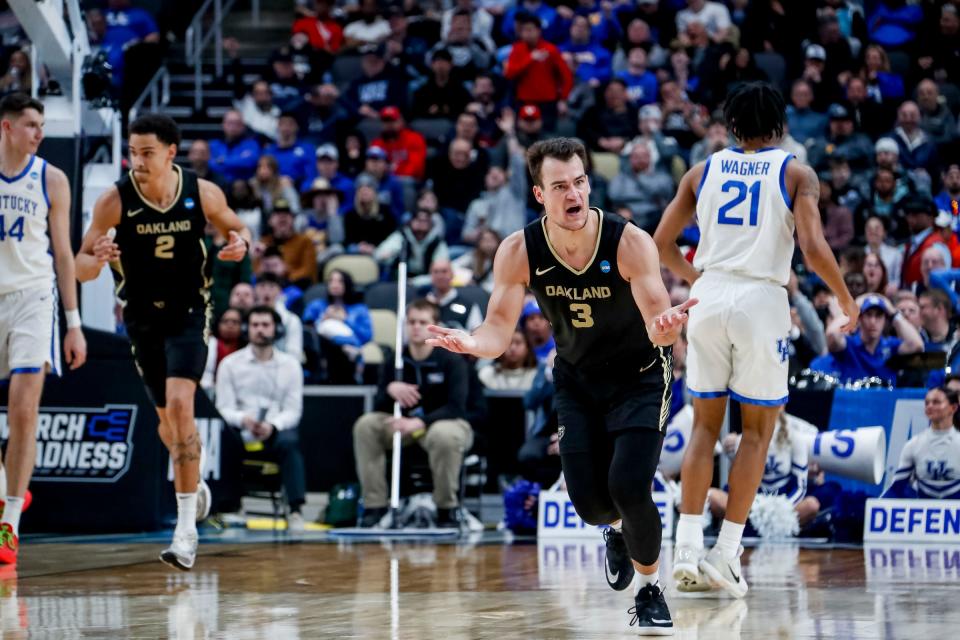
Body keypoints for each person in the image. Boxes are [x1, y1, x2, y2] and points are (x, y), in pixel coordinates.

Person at [427, 138, 695, 633]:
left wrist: (666, 328)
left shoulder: (628, 241)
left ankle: (649, 590)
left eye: (579, 182)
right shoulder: (518, 250)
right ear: (539, 195)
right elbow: (497, 330)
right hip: (576, 380)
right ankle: (614, 532)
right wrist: (471, 343)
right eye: (560, 187)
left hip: (640, 375)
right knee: (591, 504)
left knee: (630, 487)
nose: (573, 195)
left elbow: (663, 319)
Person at [654, 82, 858, 599]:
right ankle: (725, 554)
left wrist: (695, 277)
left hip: (709, 296)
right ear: (780, 125)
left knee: (703, 426)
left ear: (729, 123)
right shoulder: (795, 171)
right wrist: (845, 299)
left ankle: (684, 549)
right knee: (757, 432)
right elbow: (812, 247)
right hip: (760, 299)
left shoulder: (702, 171)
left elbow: (660, 242)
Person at [76, 113, 252, 570]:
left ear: (171, 152)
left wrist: (240, 244)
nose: (138, 161)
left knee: (180, 404)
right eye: (133, 152)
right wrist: (95, 259)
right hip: (141, 319)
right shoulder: (114, 200)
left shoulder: (202, 192)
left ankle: (185, 530)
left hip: (189, 313)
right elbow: (78, 266)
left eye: (147, 152)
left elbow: (238, 227)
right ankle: (195, 489)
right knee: (168, 427)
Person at [0, 94, 88, 565]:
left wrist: (73, 324)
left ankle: (9, 524)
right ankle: (7, 489)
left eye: (42, 124)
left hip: (33, 298)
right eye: (31, 124)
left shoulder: (51, 178)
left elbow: (64, 253)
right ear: (6, 128)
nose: (40, 133)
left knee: (23, 411)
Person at [353, 300, 473, 528]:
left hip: (442, 424)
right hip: (404, 425)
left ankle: (447, 508)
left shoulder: (452, 360)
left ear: (435, 325)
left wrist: (420, 421)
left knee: (444, 435)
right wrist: (390, 389)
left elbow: (457, 406)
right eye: (412, 322)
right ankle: (374, 506)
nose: (416, 327)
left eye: (423, 322)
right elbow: (379, 403)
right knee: (366, 425)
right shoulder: (395, 360)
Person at [215, 306, 307, 530]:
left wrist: (273, 426)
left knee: (290, 441)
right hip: (241, 431)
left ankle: (295, 510)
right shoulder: (230, 364)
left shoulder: (291, 365)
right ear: (247, 328)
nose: (260, 330)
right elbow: (223, 408)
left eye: (265, 325)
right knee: (224, 437)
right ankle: (231, 507)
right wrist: (243, 419)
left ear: (277, 329)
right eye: (255, 325)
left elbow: (293, 411)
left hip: (274, 433)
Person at [826, 294, 924, 385]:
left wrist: (893, 313)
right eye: (868, 315)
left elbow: (917, 345)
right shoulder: (849, 345)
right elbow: (832, 334)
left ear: (885, 320)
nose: (873, 321)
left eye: (878, 315)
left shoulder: (890, 346)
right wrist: (854, 308)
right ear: (859, 319)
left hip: (885, 401)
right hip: (854, 401)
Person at [883, 386, 960, 500]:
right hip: (924, 513)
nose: (930, 406)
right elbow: (896, 487)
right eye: (927, 403)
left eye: (936, 402)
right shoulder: (913, 445)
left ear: (953, 408)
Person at [302, 269, 372, 384]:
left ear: (347, 284)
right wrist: (322, 319)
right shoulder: (317, 306)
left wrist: (344, 319)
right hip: (323, 350)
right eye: (331, 281)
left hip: (347, 352)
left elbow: (367, 336)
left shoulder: (359, 309)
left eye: (340, 281)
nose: (334, 285)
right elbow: (307, 330)